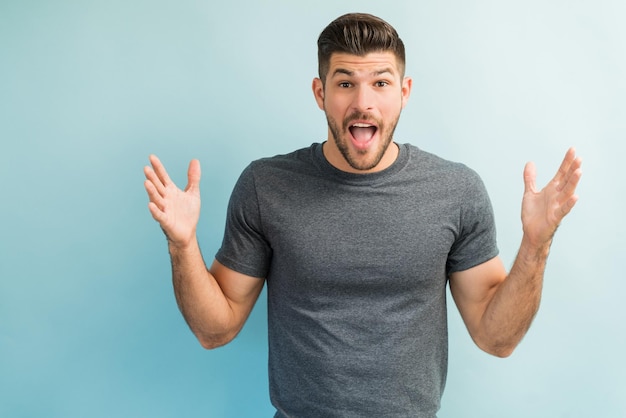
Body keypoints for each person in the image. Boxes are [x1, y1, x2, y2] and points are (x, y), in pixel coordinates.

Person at [143, 12, 582, 418]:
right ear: (321, 93)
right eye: (346, 83)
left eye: (381, 83)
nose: (363, 102)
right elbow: (214, 330)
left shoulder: (456, 191)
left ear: (404, 92)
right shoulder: (266, 186)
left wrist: (536, 246)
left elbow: (496, 338)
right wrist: (182, 245)